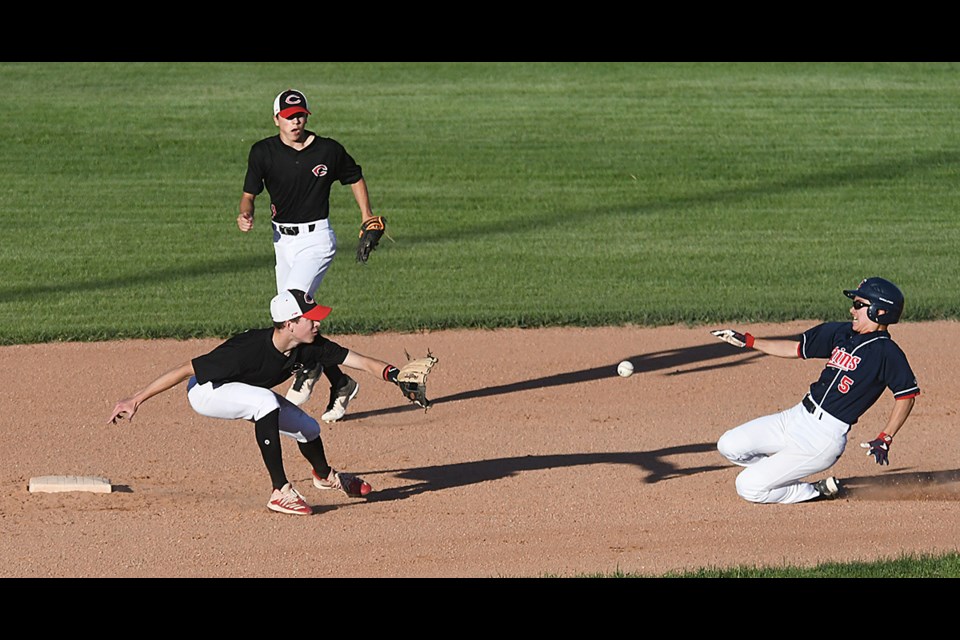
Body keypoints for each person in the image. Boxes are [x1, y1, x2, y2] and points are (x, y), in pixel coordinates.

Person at [108, 289, 413, 516]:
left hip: (244, 392)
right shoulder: (247, 348)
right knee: (265, 401)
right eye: (312, 319)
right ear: (289, 323)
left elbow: (359, 361)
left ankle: (324, 475)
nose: (318, 323)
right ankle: (280, 491)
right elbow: (186, 369)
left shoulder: (310, 346)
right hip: (206, 391)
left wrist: (395, 375)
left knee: (308, 427)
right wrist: (136, 399)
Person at [237, 88, 383, 422]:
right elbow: (249, 195)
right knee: (287, 315)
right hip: (282, 242)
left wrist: (366, 215)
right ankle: (341, 381)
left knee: (292, 310)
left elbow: (354, 176)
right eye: (289, 117)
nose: (296, 121)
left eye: (300, 115)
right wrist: (246, 213)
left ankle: (308, 369)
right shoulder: (263, 152)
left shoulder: (328, 150)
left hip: (317, 240)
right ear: (276, 119)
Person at [711, 277, 920, 504]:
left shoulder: (888, 354)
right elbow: (795, 348)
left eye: (859, 305)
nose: (852, 310)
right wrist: (749, 341)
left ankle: (815, 491)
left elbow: (906, 395)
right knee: (729, 445)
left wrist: (885, 437)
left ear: (880, 312)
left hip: (821, 439)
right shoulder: (842, 332)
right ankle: (779, 474)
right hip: (794, 417)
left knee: (748, 487)